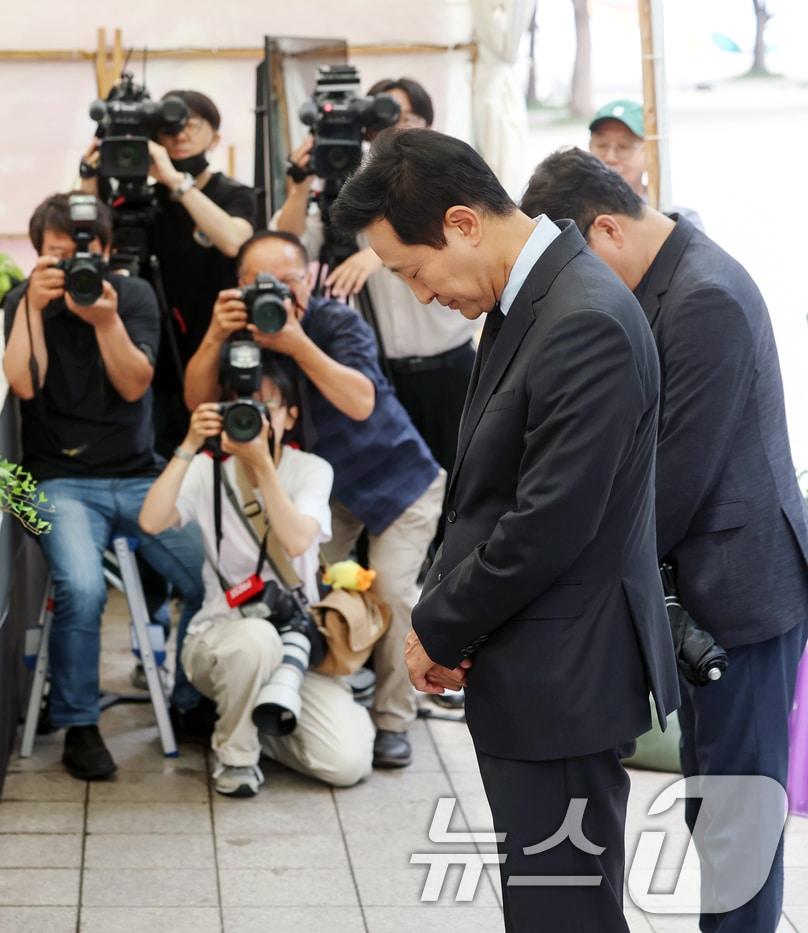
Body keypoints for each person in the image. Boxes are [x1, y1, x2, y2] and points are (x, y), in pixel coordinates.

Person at [331, 129, 680, 931]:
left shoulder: (581, 316)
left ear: (462, 223)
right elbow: (486, 488)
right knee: (546, 903)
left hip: (566, 672)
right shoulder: (529, 297)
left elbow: (546, 523)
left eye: (412, 272)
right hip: (533, 663)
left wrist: (439, 625)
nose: (420, 295)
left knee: (566, 911)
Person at [521, 147, 808, 931]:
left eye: (579, 264)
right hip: (705, 584)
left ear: (607, 228)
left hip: (742, 591)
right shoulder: (671, 274)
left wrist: (570, 573)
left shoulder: (704, 296)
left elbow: (675, 474)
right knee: (714, 804)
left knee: (739, 818)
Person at [182, 230, 443, 770]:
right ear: (239, 288)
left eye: (289, 280)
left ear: (311, 279)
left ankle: (393, 718)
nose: (276, 292)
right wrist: (213, 335)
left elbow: (361, 400)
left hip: (397, 478)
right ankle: (295, 696)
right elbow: (196, 401)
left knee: (392, 592)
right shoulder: (238, 336)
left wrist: (297, 341)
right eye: (259, 284)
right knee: (301, 591)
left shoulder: (335, 322)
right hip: (319, 491)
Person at [2, 193, 204, 781]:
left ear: (109, 251)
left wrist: (106, 320)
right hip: (60, 481)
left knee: (207, 573)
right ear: (40, 256)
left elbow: (136, 383)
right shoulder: (25, 300)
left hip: (140, 476)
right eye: (59, 255)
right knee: (83, 590)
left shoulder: (132, 296)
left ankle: (190, 697)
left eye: (84, 253)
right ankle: (80, 726)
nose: (74, 267)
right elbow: (23, 384)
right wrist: (33, 311)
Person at [139, 353, 373, 797]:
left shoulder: (310, 470)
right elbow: (150, 522)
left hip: (296, 645)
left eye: (266, 408)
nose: (253, 419)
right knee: (255, 639)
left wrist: (263, 467)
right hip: (220, 639)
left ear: (291, 416)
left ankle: (250, 720)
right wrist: (188, 446)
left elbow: (297, 540)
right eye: (240, 407)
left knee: (347, 763)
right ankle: (236, 757)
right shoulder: (208, 472)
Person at [274, 76, 476, 478]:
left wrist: (374, 256)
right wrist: (299, 190)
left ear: (429, 125)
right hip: (382, 372)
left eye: (408, 118)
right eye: (386, 119)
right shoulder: (358, 194)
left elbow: (456, 246)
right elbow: (288, 243)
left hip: (450, 370)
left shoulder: (450, 181)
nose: (398, 129)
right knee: (397, 484)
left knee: (462, 481)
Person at [81, 89, 260, 449]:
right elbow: (94, 245)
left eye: (191, 125)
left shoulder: (234, 194)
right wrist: (89, 177)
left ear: (216, 136)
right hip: (155, 352)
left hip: (214, 342)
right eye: (168, 130)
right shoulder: (140, 203)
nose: (180, 136)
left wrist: (177, 182)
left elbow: (233, 241)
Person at [588, 99, 703, 230]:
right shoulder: (571, 216)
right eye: (601, 145)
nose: (610, 157)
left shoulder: (680, 222)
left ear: (650, 155)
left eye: (624, 147)